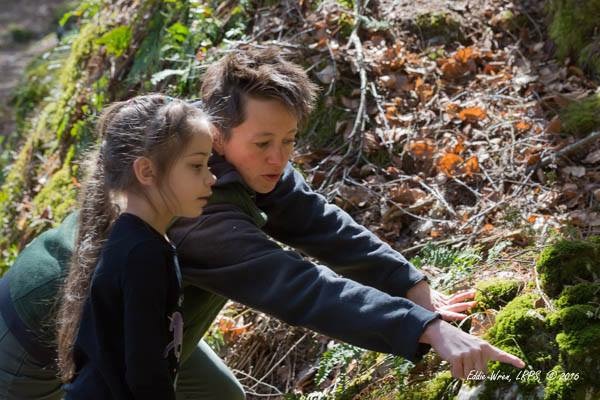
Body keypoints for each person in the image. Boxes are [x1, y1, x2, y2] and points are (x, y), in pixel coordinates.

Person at [0, 48, 523, 400]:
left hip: (141, 323)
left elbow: (320, 222)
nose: (280, 157)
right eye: (265, 143)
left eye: (289, 140)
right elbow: (299, 287)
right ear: (221, 134)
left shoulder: (234, 163)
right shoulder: (188, 206)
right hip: (34, 345)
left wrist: (412, 287)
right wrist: (425, 331)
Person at [57, 94, 216, 399]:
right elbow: (145, 372)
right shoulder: (143, 254)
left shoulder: (141, 241)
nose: (211, 178)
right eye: (196, 165)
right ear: (146, 172)